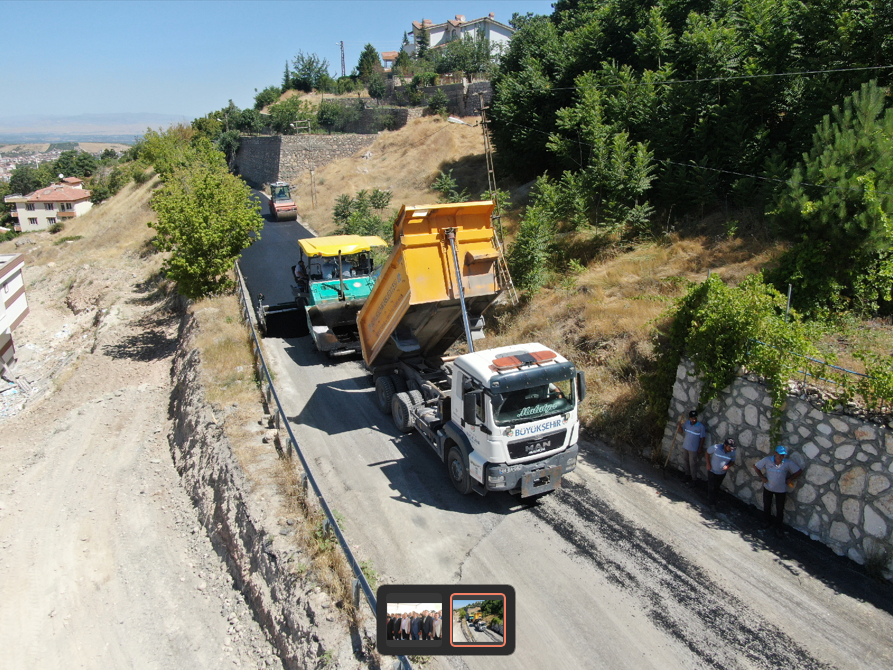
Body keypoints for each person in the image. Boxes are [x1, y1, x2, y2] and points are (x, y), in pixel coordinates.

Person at [754, 445, 802, 534]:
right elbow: (756, 466)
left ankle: (778, 527)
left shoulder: (787, 463)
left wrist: (790, 479)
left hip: (781, 490)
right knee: (767, 506)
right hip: (768, 488)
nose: (781, 456)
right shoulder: (767, 460)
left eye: (783, 455)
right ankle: (766, 522)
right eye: (780, 454)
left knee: (780, 509)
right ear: (775, 453)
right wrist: (762, 477)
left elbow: (799, 471)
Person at [705, 438, 737, 510]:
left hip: (722, 473)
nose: (731, 449)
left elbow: (732, 461)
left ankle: (713, 498)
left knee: (716, 486)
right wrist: (708, 464)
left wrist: (728, 466)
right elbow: (707, 453)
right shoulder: (716, 447)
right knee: (711, 486)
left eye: (732, 448)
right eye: (730, 447)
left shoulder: (732, 452)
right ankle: (712, 503)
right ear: (725, 445)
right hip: (712, 471)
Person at [677, 410, 707, 486]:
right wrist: (679, 426)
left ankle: (694, 479)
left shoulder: (701, 427)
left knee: (692, 464)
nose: (694, 420)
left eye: (695, 418)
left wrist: (700, 448)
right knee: (685, 461)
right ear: (689, 418)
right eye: (692, 418)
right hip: (686, 446)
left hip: (694, 449)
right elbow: (681, 431)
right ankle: (687, 475)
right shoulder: (687, 423)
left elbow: (703, 438)